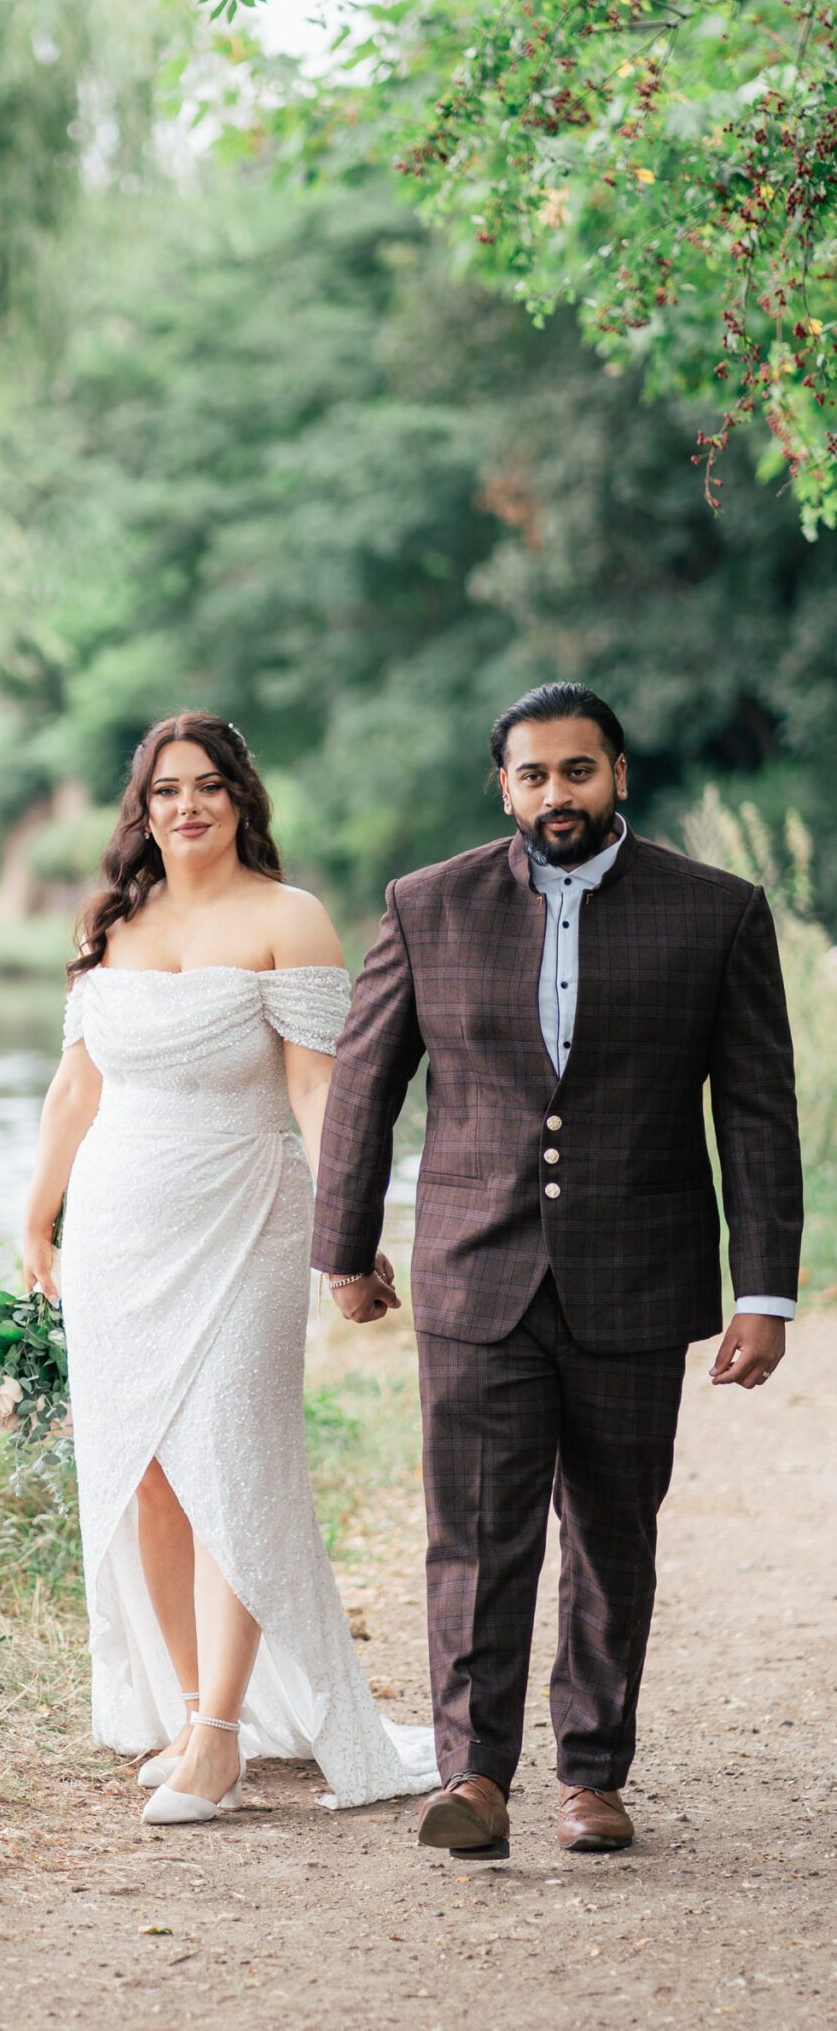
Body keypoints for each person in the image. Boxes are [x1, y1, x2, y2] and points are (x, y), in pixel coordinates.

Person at [314, 681, 802, 1862]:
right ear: (505, 787)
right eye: (533, 775)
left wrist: (765, 1289)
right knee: (476, 1537)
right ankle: (474, 1777)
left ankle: (593, 1776)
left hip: (641, 1276)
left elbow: (756, 1111)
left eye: (578, 771)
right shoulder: (427, 905)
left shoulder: (717, 911)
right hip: (475, 1273)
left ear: (619, 775)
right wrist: (343, 1246)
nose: (556, 795)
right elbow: (364, 1086)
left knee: (613, 1533)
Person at [21, 710, 437, 1823]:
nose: (185, 806)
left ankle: (215, 1747)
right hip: (116, 1223)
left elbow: (319, 1092)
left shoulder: (287, 919)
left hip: (247, 1214)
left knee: (233, 1465)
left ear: (242, 797)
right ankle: (204, 1709)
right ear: (141, 809)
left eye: (207, 785)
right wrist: (36, 1215)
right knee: (148, 1469)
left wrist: (347, 1230)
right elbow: (76, 1085)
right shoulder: (111, 916)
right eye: (165, 790)